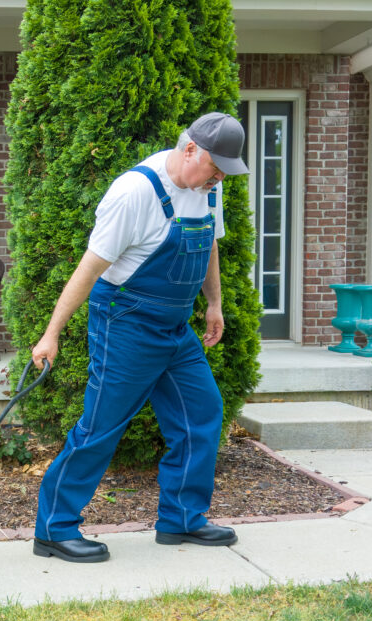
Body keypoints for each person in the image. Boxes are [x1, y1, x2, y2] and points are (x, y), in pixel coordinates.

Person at [30, 112, 249, 563]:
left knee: (202, 412)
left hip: (174, 326)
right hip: (125, 322)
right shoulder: (135, 193)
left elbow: (208, 243)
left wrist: (214, 303)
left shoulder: (209, 186)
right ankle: (53, 528)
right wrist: (51, 334)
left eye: (225, 170)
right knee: (101, 426)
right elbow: (88, 270)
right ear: (190, 150)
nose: (219, 177)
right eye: (214, 167)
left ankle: (182, 519)